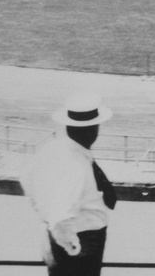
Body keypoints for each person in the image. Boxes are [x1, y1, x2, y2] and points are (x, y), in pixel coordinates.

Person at [22, 94, 118, 276]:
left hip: (68, 238)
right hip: (81, 242)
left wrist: (45, 215)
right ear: (93, 129)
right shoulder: (75, 164)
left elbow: (27, 179)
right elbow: (61, 213)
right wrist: (73, 246)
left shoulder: (55, 149)